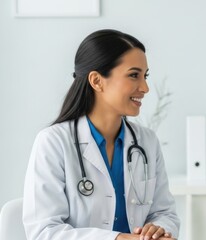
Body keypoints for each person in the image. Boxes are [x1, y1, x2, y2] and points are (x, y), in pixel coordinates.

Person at [23, 29, 180, 240]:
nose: (145, 87)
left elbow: (165, 213)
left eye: (145, 76)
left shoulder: (147, 141)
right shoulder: (53, 142)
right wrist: (118, 239)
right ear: (97, 81)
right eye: (134, 75)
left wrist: (159, 229)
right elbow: (44, 231)